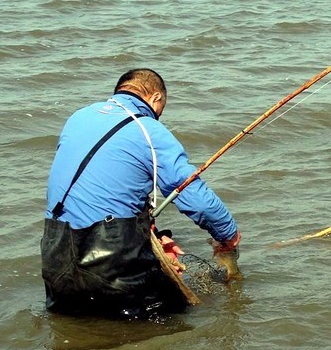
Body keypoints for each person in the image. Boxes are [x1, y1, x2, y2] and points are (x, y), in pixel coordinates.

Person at [42, 68, 240, 316]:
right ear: (156, 98)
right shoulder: (148, 129)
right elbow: (195, 198)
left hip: (55, 257)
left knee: (78, 330)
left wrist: (152, 234)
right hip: (112, 266)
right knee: (176, 326)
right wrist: (228, 235)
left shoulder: (78, 118)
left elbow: (104, 190)